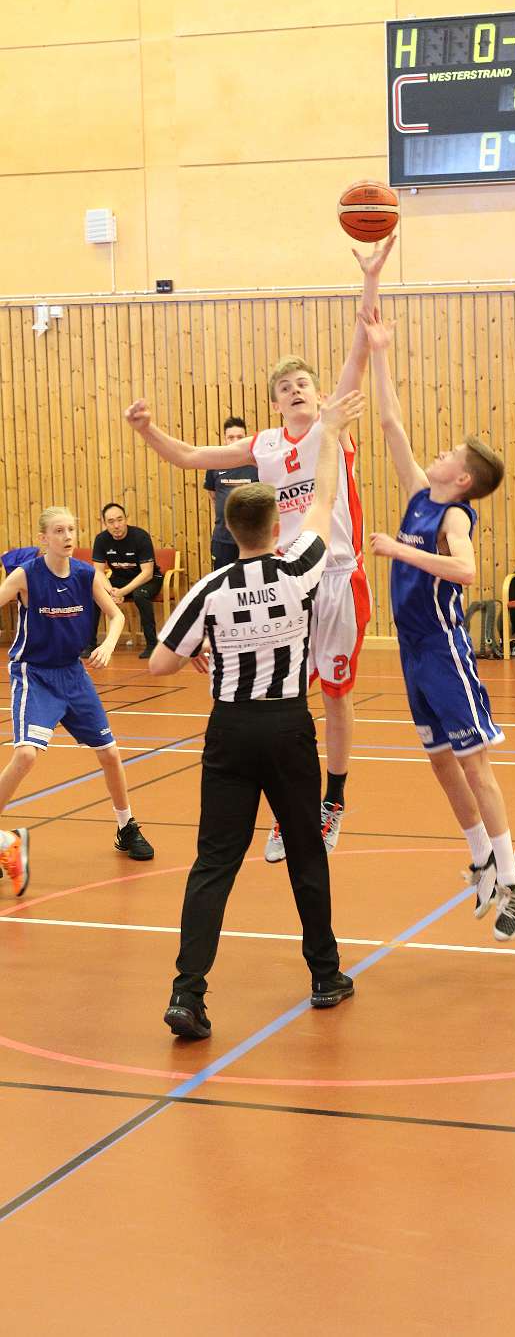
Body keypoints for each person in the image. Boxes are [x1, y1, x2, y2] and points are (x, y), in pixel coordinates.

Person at [124, 235, 395, 860]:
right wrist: (147, 430)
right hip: (282, 581)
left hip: (335, 575)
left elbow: (360, 347)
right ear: (274, 403)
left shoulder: (333, 426)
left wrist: (371, 278)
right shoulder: (265, 445)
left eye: (304, 384)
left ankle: (332, 802)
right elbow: (190, 456)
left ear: (320, 395)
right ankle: (293, 806)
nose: (296, 391)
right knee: (280, 696)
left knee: (335, 693)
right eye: (285, 388)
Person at [150, 390, 364, 1040]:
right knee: (305, 853)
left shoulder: (208, 590)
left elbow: (159, 663)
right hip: (287, 725)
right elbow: (323, 503)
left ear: (230, 530)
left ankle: (188, 993)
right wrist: (329, 434)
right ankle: (325, 974)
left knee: (213, 862)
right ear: (275, 531)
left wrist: (197, 650)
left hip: (230, 730)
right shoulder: (300, 569)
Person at [362, 309, 515, 941]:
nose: (438, 452)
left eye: (451, 453)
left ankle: (513, 876)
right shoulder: (418, 494)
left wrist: (397, 551)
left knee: (475, 764)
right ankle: (481, 858)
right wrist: (380, 351)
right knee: (440, 762)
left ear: (461, 479)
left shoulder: (454, 517)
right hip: (411, 650)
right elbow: (390, 422)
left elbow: (467, 571)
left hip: (443, 648)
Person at [0, 506, 154, 897]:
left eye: (71, 529)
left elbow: (116, 617)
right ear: (43, 538)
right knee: (26, 755)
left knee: (110, 753)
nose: (67, 536)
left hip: (73, 674)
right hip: (35, 675)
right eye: (58, 530)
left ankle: (126, 826)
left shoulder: (86, 574)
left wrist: (109, 643)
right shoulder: (26, 576)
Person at [88, 502, 163, 660]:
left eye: (120, 519)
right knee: (95, 594)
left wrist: (122, 592)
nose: (116, 525)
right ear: (104, 523)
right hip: (119, 579)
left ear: (126, 519)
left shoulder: (140, 537)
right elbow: (98, 571)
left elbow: (147, 573)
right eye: (111, 521)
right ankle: (90, 645)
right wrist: (110, 591)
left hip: (147, 580)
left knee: (140, 595)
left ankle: (152, 645)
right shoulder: (101, 539)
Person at [204, 416, 258, 569]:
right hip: (223, 540)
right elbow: (213, 496)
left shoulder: (257, 465)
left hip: (252, 540)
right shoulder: (214, 464)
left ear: (246, 438)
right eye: (231, 437)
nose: (235, 441)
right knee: (223, 581)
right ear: (225, 440)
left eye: (240, 437)